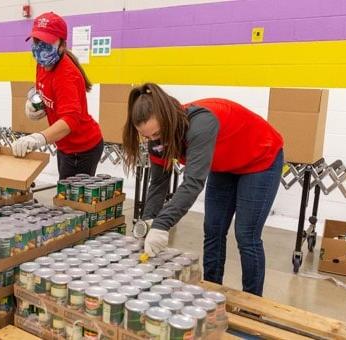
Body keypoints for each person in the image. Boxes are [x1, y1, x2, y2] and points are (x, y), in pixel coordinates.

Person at [122, 83, 284, 296]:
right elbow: (159, 183)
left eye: (158, 134)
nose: (154, 140)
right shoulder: (157, 140)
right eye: (148, 137)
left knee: (246, 235)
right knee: (213, 229)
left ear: (169, 117)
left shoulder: (200, 123)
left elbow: (192, 183)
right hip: (223, 165)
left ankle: (253, 305)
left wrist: (162, 224)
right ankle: (211, 293)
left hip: (259, 159)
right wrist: (149, 222)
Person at [11, 12, 103, 179]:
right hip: (64, 146)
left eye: (47, 42)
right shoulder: (42, 64)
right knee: (65, 196)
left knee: (73, 201)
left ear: (62, 45)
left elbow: (70, 121)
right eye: (37, 41)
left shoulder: (67, 75)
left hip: (83, 147)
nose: (40, 47)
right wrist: (35, 102)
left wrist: (39, 137)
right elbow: (43, 88)